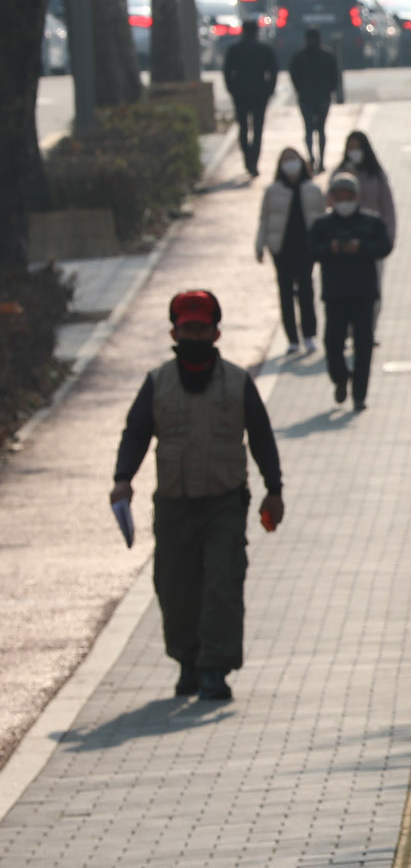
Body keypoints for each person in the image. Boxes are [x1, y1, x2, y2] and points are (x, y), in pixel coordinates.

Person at [110, 291, 284, 702]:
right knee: (175, 586)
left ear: (216, 331)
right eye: (187, 328)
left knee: (222, 582)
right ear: (174, 331)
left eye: (201, 328)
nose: (194, 334)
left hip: (224, 502)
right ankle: (187, 661)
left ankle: (214, 668)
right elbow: (135, 434)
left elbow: (261, 437)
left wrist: (274, 490)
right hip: (173, 503)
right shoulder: (157, 383)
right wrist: (122, 479)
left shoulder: (238, 382)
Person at [310, 171, 393, 412]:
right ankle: (340, 378)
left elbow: (385, 246)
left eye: (348, 195)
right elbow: (311, 251)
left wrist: (362, 247)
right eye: (339, 196)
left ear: (357, 197)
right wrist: (332, 248)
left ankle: (359, 394)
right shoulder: (323, 225)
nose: (343, 200)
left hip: (363, 294)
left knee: (364, 345)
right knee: (332, 343)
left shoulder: (370, 222)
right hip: (335, 295)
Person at [256, 148, 325, 355]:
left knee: (306, 290)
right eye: (285, 160)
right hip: (281, 249)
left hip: (306, 248)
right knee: (285, 292)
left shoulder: (313, 189)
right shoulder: (272, 191)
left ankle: (309, 335)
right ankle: (292, 338)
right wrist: (259, 245)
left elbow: (322, 219)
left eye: (293, 159)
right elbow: (264, 220)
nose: (290, 164)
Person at [221, 20, 279, 177]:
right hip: (260, 93)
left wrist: (232, 90)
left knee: (243, 127)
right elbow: (273, 72)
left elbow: (227, 72)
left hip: (240, 93)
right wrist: (269, 90)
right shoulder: (264, 49)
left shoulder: (234, 49)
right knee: (258, 128)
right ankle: (253, 161)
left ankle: (248, 158)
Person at [287, 28, 343, 172]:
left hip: (308, 98)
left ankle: (313, 158)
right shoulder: (327, 55)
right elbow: (335, 77)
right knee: (319, 131)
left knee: (310, 130)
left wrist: (300, 90)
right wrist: (330, 91)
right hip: (321, 98)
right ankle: (318, 160)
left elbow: (294, 76)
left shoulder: (299, 56)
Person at [338, 131, 396, 245]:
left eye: (358, 147)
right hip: (343, 237)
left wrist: (388, 236)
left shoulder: (376, 175)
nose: (355, 151)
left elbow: (387, 207)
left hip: (371, 236)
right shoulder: (339, 174)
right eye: (351, 148)